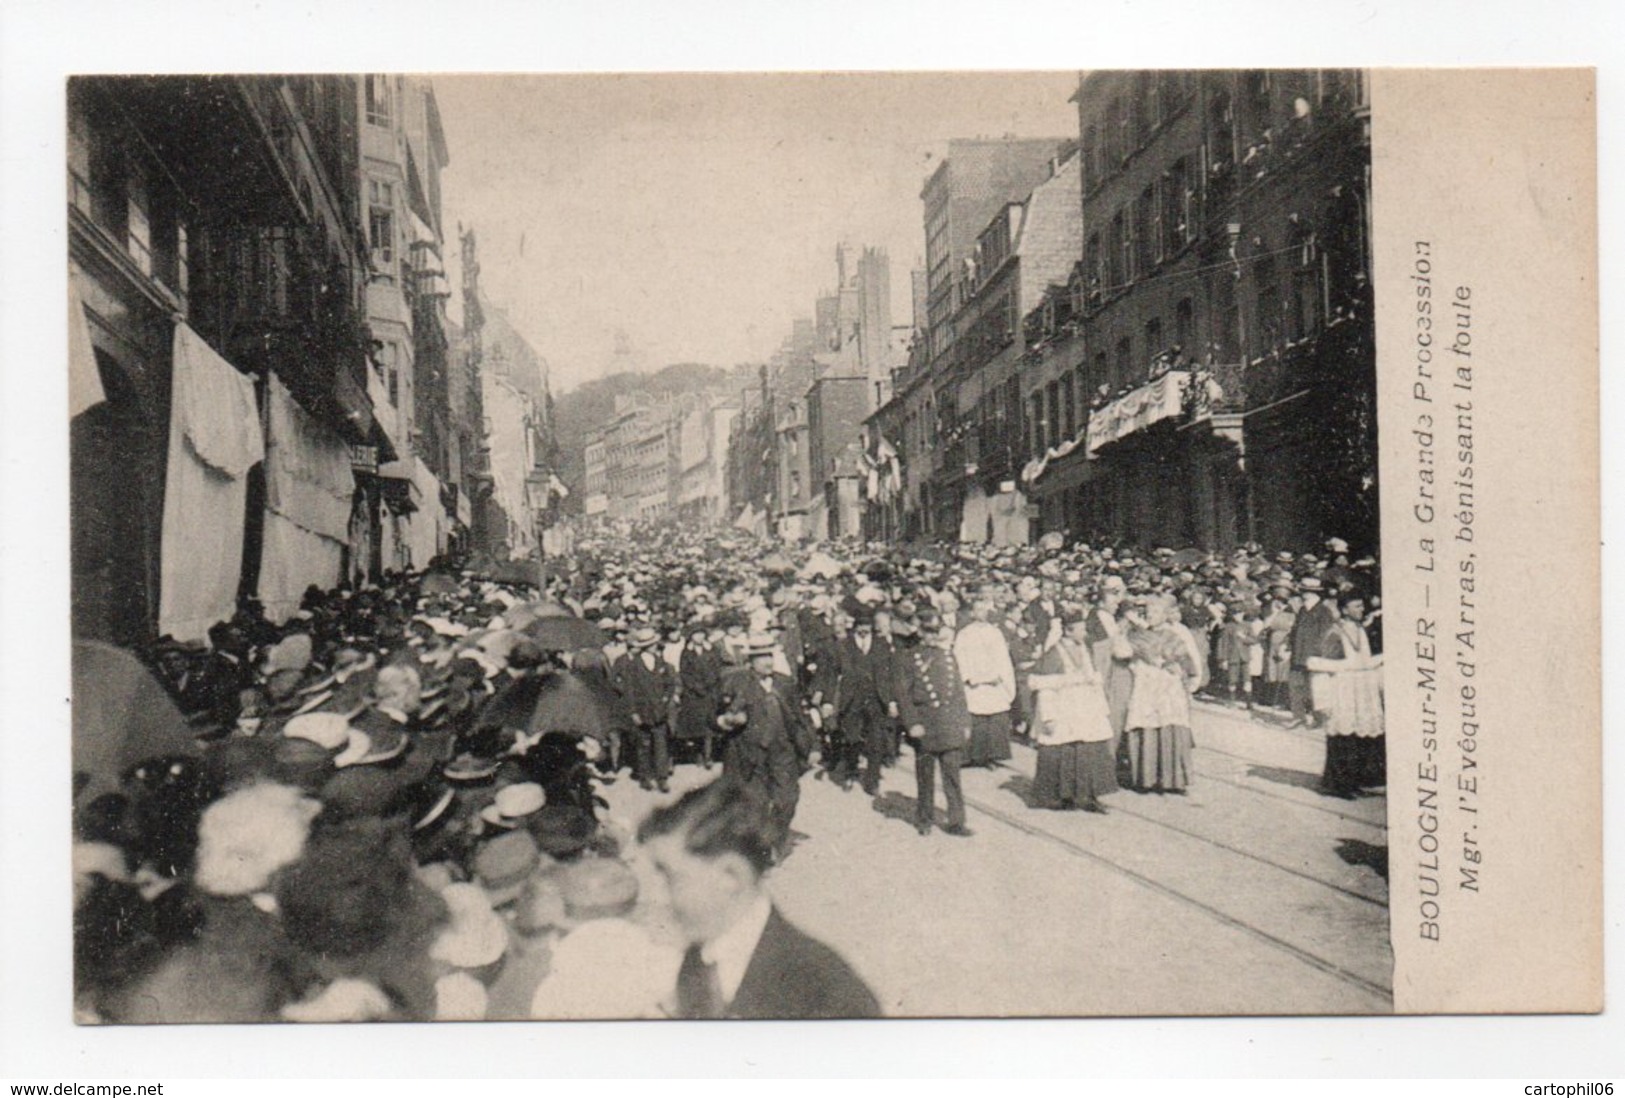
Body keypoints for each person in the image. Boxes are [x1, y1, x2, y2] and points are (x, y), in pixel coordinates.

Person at [637, 778, 880, 1019]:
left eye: (670, 878)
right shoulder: (699, 963)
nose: (658, 896)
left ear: (732, 876)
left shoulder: (827, 992)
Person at [715, 635, 815, 861]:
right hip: (750, 755)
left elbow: (801, 718)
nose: (767, 662)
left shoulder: (785, 683)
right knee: (756, 805)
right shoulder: (736, 683)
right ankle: (761, 848)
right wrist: (728, 721)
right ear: (750, 661)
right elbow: (714, 717)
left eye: (769, 656)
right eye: (761, 658)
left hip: (783, 752)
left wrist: (813, 745)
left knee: (787, 800)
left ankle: (777, 839)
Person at [1028, 608, 1118, 812]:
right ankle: (1062, 796)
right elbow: (1044, 687)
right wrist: (1048, 717)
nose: (1085, 633)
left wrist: (1102, 707)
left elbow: (1092, 678)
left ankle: (1090, 796)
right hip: (1064, 710)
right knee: (1065, 752)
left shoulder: (1085, 648)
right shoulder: (1053, 653)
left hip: (1087, 709)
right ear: (1068, 631)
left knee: (1091, 751)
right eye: (1081, 629)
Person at [897, 611, 973, 837]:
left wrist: (965, 722)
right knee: (925, 777)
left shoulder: (948, 657)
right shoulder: (908, 658)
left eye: (935, 631)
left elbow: (959, 693)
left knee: (952, 776)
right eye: (927, 631)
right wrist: (912, 723)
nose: (932, 636)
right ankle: (924, 819)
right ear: (919, 632)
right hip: (926, 724)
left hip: (949, 724)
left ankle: (957, 821)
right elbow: (903, 694)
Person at [1307, 594, 1385, 797]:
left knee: (1358, 736)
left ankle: (1353, 782)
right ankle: (1336, 785)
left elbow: (1364, 660)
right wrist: (1322, 699)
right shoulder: (1334, 632)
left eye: (1362, 605)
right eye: (1357, 605)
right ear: (1344, 609)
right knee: (1342, 735)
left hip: (1359, 689)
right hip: (1342, 689)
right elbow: (1320, 665)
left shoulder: (1359, 629)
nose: (1361, 609)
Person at [1122, 594, 1201, 794]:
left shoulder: (1175, 636)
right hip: (1146, 684)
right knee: (1147, 724)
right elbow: (1129, 655)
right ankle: (1146, 778)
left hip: (1168, 687)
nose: (1150, 615)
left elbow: (1186, 662)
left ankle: (1172, 779)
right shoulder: (1136, 635)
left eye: (1155, 612)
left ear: (1165, 615)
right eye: (1148, 612)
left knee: (1170, 725)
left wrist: (1179, 668)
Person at [831, 603, 899, 796]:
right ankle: (850, 773)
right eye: (860, 625)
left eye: (867, 626)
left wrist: (892, 701)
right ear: (853, 626)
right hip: (852, 700)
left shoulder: (881, 644)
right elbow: (833, 673)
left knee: (876, 741)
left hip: (876, 699)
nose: (863, 629)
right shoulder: (844, 645)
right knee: (852, 739)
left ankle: (873, 779)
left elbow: (890, 675)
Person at [953, 597, 1017, 768]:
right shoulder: (964, 634)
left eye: (985, 609)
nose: (982, 613)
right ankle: (971, 756)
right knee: (975, 717)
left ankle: (991, 755)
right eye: (978, 609)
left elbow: (1002, 658)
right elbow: (959, 658)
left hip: (993, 681)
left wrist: (998, 676)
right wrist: (968, 677)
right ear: (972, 612)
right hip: (973, 683)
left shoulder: (995, 633)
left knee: (994, 717)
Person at [614, 626, 676, 792]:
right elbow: (629, 691)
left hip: (659, 711)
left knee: (661, 745)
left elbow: (670, 683)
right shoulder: (633, 665)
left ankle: (662, 778)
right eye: (653, 644)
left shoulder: (660, 662)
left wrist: (665, 698)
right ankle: (645, 777)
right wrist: (633, 712)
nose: (656, 646)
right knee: (643, 746)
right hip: (642, 711)